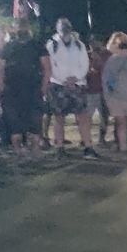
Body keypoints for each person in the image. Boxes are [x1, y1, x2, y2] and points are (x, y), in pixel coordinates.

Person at [42, 18, 99, 159]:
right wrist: (64, 79)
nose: (65, 30)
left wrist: (76, 78)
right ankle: (60, 147)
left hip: (77, 85)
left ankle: (88, 147)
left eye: (67, 27)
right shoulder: (52, 45)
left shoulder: (79, 45)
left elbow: (85, 63)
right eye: (62, 27)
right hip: (58, 84)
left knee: (82, 116)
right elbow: (50, 65)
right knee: (59, 117)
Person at [1, 19, 44, 157]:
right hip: (12, 92)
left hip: (33, 90)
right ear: (14, 30)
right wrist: (2, 87)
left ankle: (35, 148)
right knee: (15, 123)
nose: (21, 30)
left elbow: (47, 67)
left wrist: (43, 87)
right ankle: (18, 149)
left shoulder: (37, 45)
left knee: (35, 122)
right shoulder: (8, 47)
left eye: (24, 27)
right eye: (19, 27)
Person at [86, 35, 112, 147]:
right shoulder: (86, 55)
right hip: (90, 90)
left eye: (94, 42)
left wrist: (99, 61)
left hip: (103, 90)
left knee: (104, 116)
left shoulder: (107, 55)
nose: (92, 44)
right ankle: (86, 139)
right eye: (90, 42)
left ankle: (102, 138)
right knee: (87, 116)